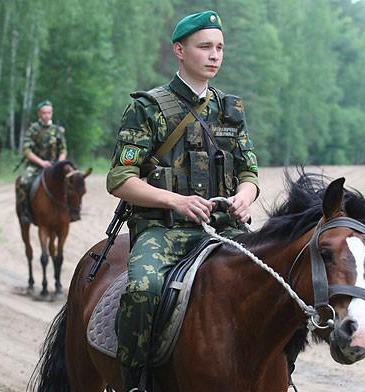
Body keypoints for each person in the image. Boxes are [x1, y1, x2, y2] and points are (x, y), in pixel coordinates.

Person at [106, 10, 260, 391]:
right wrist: (175, 201)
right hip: (163, 230)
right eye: (204, 46)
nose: (214, 55)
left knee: (279, 288)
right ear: (179, 50)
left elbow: (250, 172)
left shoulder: (230, 110)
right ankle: (135, 382)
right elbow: (120, 179)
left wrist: (244, 197)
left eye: (220, 47)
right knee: (142, 291)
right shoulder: (148, 108)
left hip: (224, 231)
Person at [15, 100, 67, 225]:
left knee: (72, 182)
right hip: (35, 166)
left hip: (55, 166)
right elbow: (27, 151)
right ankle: (25, 213)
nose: (46, 115)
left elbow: (63, 149)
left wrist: (59, 164)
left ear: (52, 113)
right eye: (44, 113)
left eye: (49, 112)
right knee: (23, 182)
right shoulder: (33, 130)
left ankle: (71, 212)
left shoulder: (57, 130)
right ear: (39, 113)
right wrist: (41, 162)